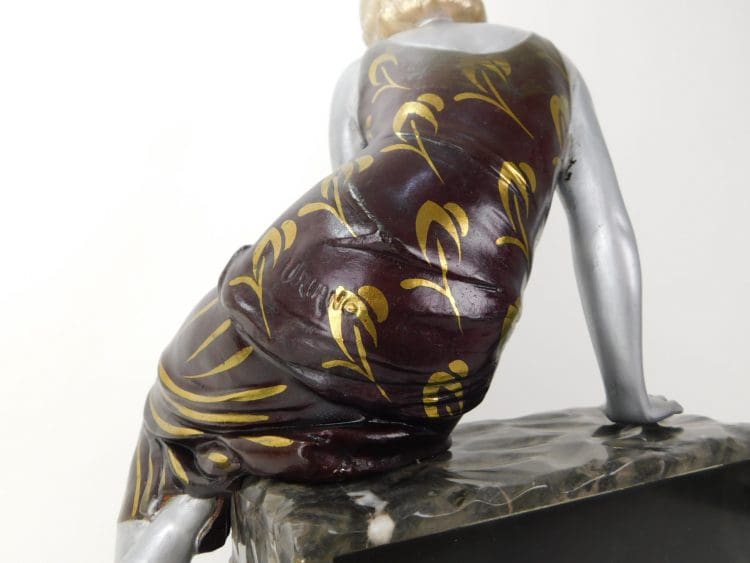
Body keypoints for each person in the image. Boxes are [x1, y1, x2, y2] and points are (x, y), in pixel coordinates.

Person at [116, 1, 682, 561]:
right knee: (266, 431)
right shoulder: (554, 65)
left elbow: (357, 215)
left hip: (326, 301)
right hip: (449, 357)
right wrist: (627, 397)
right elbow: (606, 228)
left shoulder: (367, 70)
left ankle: (192, 496)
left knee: (176, 430)